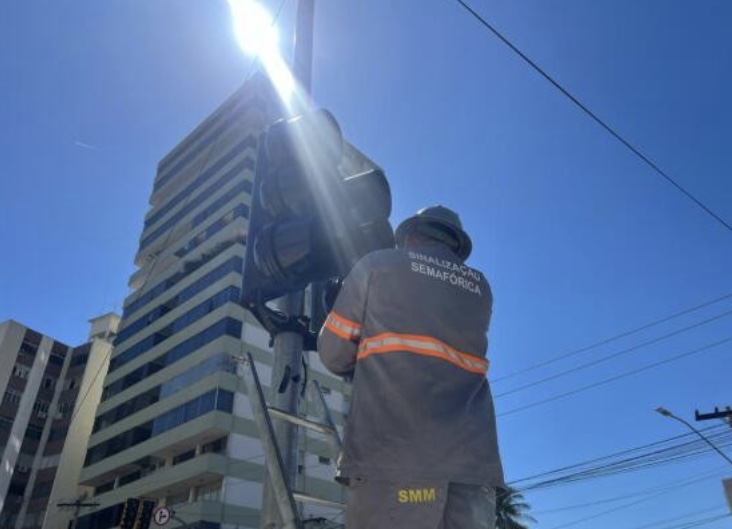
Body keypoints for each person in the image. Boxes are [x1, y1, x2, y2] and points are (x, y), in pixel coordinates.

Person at [317, 205, 505, 528]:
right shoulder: (481, 289)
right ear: (456, 245)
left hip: (396, 462)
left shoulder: (377, 265)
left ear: (409, 235)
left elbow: (333, 352)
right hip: (473, 472)